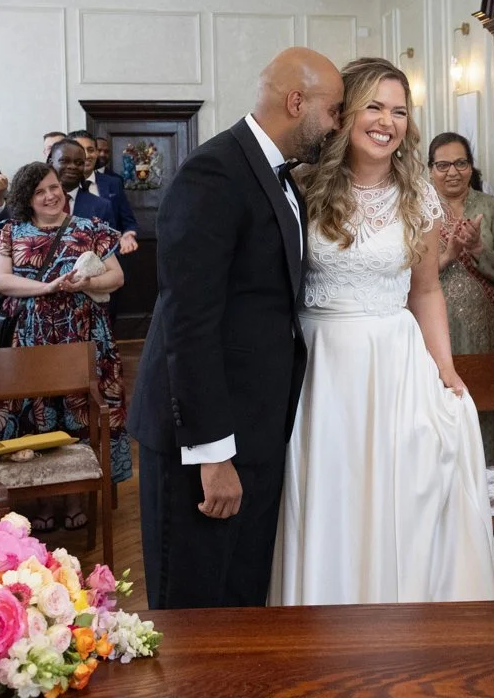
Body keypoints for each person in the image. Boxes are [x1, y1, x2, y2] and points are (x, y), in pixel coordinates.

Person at [270, 59, 494, 605]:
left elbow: (425, 291)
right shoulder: (302, 187)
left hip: (396, 364)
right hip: (321, 366)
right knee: (333, 495)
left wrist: (445, 369)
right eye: (374, 106)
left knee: (405, 491)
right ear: (345, 112)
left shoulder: (417, 195)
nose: (387, 121)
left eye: (399, 111)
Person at [128, 46, 344, 609]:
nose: (337, 124)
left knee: (242, 599)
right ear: (297, 102)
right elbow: (189, 322)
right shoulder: (214, 172)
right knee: (194, 610)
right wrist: (212, 454)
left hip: (254, 423)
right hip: (203, 437)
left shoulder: (279, 175)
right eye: (334, 110)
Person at [0, 162, 130, 528]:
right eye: (39, 192)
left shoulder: (89, 228)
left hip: (83, 334)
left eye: (53, 188)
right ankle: (43, 503)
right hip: (30, 338)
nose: (50, 196)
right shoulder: (11, 232)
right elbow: (1, 282)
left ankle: (79, 498)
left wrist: (85, 285)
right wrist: (47, 288)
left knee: (81, 412)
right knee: (38, 414)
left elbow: (116, 276)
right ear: (25, 199)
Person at [426, 131, 494, 563]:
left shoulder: (492, 208)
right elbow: (405, 275)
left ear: (472, 166)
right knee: (440, 426)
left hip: (487, 332)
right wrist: (450, 253)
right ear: (429, 169)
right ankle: (446, 545)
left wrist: (479, 248)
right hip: (434, 334)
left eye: (461, 163)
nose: (453, 172)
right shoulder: (416, 208)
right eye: (442, 165)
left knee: (489, 422)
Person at [69, 130, 139, 254]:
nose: (87, 155)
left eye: (91, 150)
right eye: (80, 150)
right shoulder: (60, 188)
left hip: (110, 259)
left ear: (96, 153)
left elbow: (128, 221)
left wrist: (128, 235)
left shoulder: (114, 183)